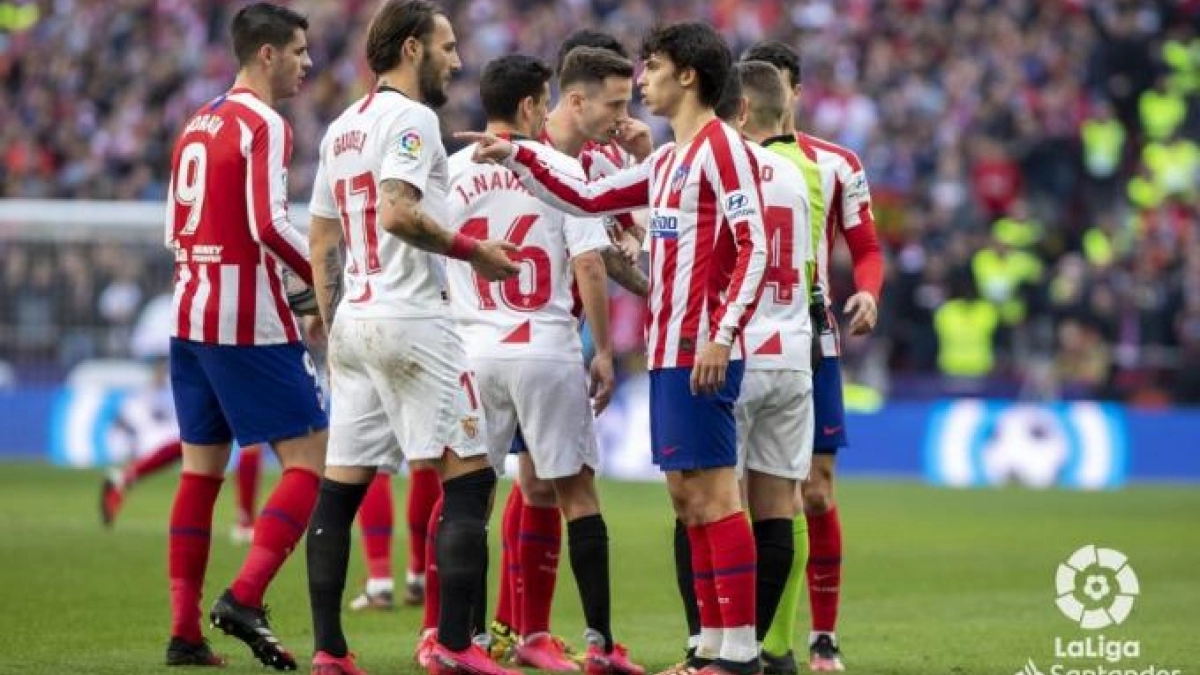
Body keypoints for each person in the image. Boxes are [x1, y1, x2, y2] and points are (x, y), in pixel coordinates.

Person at [461, 22, 768, 675]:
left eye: (651, 70)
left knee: (716, 494)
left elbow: (756, 248)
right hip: (666, 350)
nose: (643, 84)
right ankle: (711, 646)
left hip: (700, 345)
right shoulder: (667, 160)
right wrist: (518, 155)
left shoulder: (723, 149)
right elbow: (587, 196)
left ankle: (738, 652)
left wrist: (722, 332)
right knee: (688, 497)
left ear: (687, 74)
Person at [302, 2, 519, 675]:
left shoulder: (342, 128)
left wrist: (336, 321)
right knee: (472, 475)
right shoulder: (413, 118)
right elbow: (397, 210)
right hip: (415, 317)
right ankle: (456, 643)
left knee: (340, 488)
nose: (456, 60)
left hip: (357, 322)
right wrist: (474, 250)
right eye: (446, 47)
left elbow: (321, 234)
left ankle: (329, 649)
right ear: (409, 49)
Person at [447, 53, 645, 675]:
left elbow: (431, 253)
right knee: (577, 495)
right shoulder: (561, 172)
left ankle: (456, 639)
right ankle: (600, 644)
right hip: (547, 347)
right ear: (537, 104)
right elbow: (590, 264)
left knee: (464, 500)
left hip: (474, 349)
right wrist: (606, 353)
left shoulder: (449, 173)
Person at [163, 3, 325, 669]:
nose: (307, 63)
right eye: (297, 51)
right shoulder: (265, 122)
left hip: (189, 310)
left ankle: (183, 632)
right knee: (311, 459)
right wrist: (326, 274)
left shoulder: (197, 122)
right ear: (266, 55)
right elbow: (267, 221)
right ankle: (245, 594)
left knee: (200, 470)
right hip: (244, 320)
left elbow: (176, 226)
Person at [742, 40, 885, 674]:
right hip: (746, 340)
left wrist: (869, 293)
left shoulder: (837, 163)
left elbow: (869, 248)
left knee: (817, 493)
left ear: (795, 91)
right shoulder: (731, 161)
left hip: (813, 341)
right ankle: (762, 640)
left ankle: (820, 637)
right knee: (752, 498)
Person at [100, 292, 267, 542]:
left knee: (202, 442)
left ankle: (125, 477)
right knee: (245, 437)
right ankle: (245, 523)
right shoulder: (220, 287)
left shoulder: (198, 284)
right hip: (225, 351)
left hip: (205, 353)